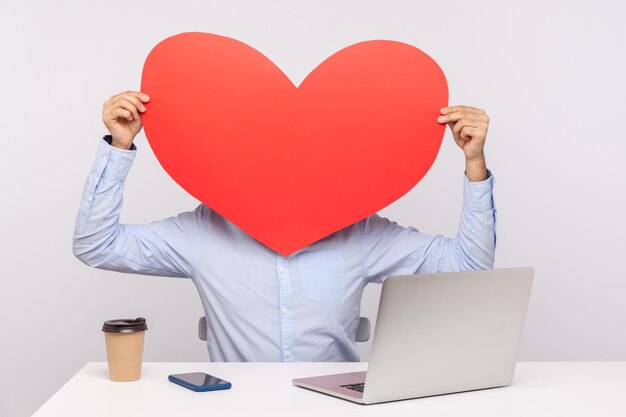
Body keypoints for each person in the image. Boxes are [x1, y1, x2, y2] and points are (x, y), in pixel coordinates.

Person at [73, 91, 496, 362]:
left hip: (335, 405)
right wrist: (120, 146)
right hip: (238, 405)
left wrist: (473, 165)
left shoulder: (361, 233)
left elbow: (469, 265)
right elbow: (97, 245)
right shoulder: (203, 232)